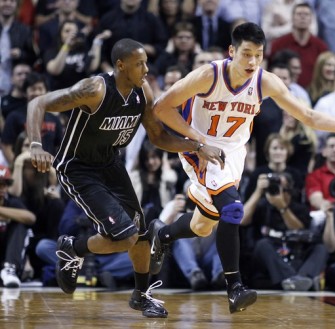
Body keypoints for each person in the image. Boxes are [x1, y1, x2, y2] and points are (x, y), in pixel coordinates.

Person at [149, 22, 335, 314]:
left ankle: (162, 234)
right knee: (232, 208)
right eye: (246, 54)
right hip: (201, 146)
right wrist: (197, 141)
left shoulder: (265, 81)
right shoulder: (209, 74)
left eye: (258, 55)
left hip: (233, 152)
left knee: (202, 225)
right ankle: (235, 287)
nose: (253, 61)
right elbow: (161, 107)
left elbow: (308, 116)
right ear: (232, 51)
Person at [26, 38, 224, 318]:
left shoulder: (143, 93)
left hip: (110, 164)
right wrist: (36, 144)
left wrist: (198, 146)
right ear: (121, 65)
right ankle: (72, 248)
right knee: (126, 237)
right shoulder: (93, 89)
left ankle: (142, 296)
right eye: (139, 64)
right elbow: (37, 102)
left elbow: (158, 137)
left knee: (141, 234)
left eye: (146, 62)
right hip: (78, 167)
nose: (146, 69)